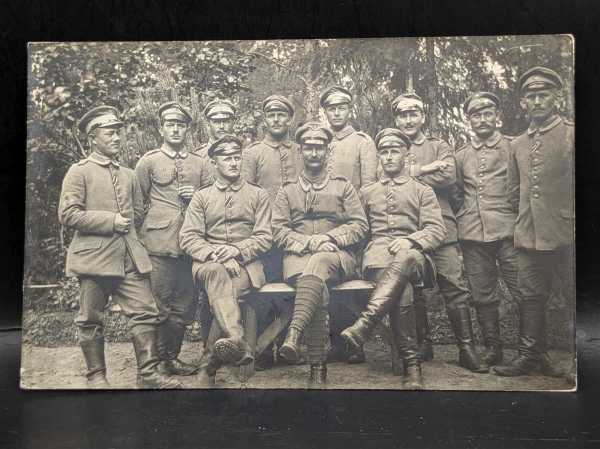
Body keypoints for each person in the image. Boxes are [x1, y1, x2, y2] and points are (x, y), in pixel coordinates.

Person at [58, 106, 181, 389]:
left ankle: (148, 374)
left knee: (145, 312)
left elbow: (137, 213)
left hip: (129, 256)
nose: (117, 137)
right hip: (94, 258)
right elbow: (68, 215)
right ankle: (96, 376)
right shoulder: (79, 172)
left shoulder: (128, 174)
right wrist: (110, 220)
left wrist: (129, 230)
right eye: (109, 132)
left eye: (118, 131)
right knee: (90, 318)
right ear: (92, 137)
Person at [341, 128, 446, 388]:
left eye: (394, 151)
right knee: (404, 292)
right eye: (384, 152)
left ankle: (365, 323)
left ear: (405, 154)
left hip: (416, 259)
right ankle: (412, 366)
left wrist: (411, 240)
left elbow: (436, 230)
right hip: (377, 260)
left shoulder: (423, 191)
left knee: (407, 256)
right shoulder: (367, 192)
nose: (388, 157)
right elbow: (358, 231)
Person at [392, 92, 487, 373]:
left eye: (413, 114)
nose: (408, 120)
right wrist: (425, 170)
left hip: (442, 228)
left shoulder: (439, 145)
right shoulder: (390, 147)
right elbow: (386, 178)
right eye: (402, 115)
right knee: (415, 289)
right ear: (396, 119)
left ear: (423, 116)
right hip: (408, 229)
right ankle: (423, 344)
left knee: (454, 287)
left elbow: (448, 176)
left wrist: (411, 172)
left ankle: (466, 349)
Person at [272, 121, 369, 385]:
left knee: (319, 265)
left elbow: (360, 225)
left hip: (338, 256)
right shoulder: (287, 190)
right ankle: (317, 368)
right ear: (300, 151)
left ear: (328, 151)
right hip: (298, 257)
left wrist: (329, 238)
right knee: (316, 285)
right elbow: (278, 230)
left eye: (319, 148)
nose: (314, 153)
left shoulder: (343, 186)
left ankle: (295, 334)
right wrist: (310, 243)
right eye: (308, 148)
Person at [493, 67, 574, 377]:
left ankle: (581, 359)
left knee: (574, 297)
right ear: (523, 102)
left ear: (555, 97)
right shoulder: (518, 144)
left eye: (543, 95)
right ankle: (531, 356)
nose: (537, 101)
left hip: (567, 233)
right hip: (528, 236)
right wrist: (526, 221)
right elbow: (514, 192)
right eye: (531, 96)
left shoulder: (570, 133)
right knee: (530, 297)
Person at [179, 134, 272, 386]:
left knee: (227, 286)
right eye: (226, 158)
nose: (233, 163)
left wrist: (237, 252)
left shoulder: (258, 194)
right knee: (219, 275)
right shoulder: (202, 197)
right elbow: (188, 237)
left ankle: (208, 365)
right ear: (214, 163)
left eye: (236, 157)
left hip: (247, 265)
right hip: (209, 264)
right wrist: (217, 254)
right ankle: (236, 338)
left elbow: (265, 237)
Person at [135, 102, 213, 376]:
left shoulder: (200, 164)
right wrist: (136, 246)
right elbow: (137, 206)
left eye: (181, 125)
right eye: (170, 124)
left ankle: (171, 358)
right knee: (157, 305)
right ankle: (152, 364)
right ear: (161, 128)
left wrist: (197, 198)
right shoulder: (148, 162)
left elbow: (211, 203)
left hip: (191, 246)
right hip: (158, 245)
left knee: (184, 306)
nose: (176, 129)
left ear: (188, 129)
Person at [452, 92, 521, 366]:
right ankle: (494, 348)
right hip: (472, 233)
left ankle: (534, 352)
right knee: (482, 294)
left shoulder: (513, 147)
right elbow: (457, 193)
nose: (482, 119)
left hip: (509, 231)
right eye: (475, 115)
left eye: (487, 113)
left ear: (497, 117)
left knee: (524, 291)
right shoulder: (461, 155)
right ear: (469, 120)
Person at [242, 95, 303, 369]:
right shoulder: (253, 153)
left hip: (294, 235)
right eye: (271, 115)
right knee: (263, 291)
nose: (276, 119)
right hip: (264, 235)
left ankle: (291, 345)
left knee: (292, 289)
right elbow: (246, 195)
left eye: (281, 114)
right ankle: (264, 350)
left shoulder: (301, 151)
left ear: (289, 119)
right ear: (264, 120)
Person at [320, 85, 379, 363]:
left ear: (349, 109)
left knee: (353, 283)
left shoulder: (361, 142)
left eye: (341, 107)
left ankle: (355, 345)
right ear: (325, 111)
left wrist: (358, 224)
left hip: (354, 223)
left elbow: (368, 187)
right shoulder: (318, 140)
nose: (337, 112)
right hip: (323, 227)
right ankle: (335, 344)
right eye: (331, 108)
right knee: (330, 282)